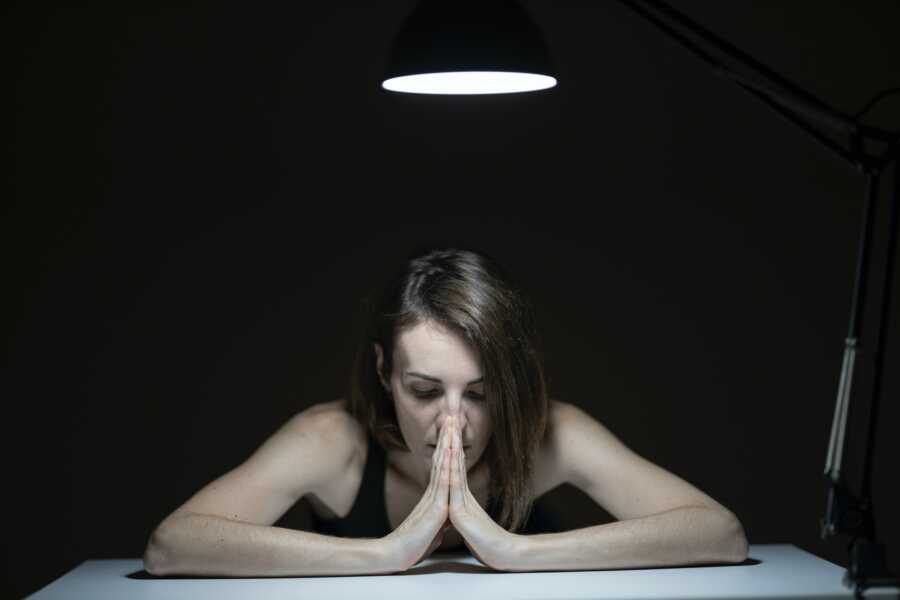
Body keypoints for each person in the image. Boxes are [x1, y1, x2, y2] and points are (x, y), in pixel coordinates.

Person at [142, 246, 749, 577]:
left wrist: (514, 551)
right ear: (383, 372)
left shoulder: (550, 434)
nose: (453, 421)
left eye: (480, 393)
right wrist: (386, 553)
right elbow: (173, 546)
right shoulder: (333, 440)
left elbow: (719, 533)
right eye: (425, 391)